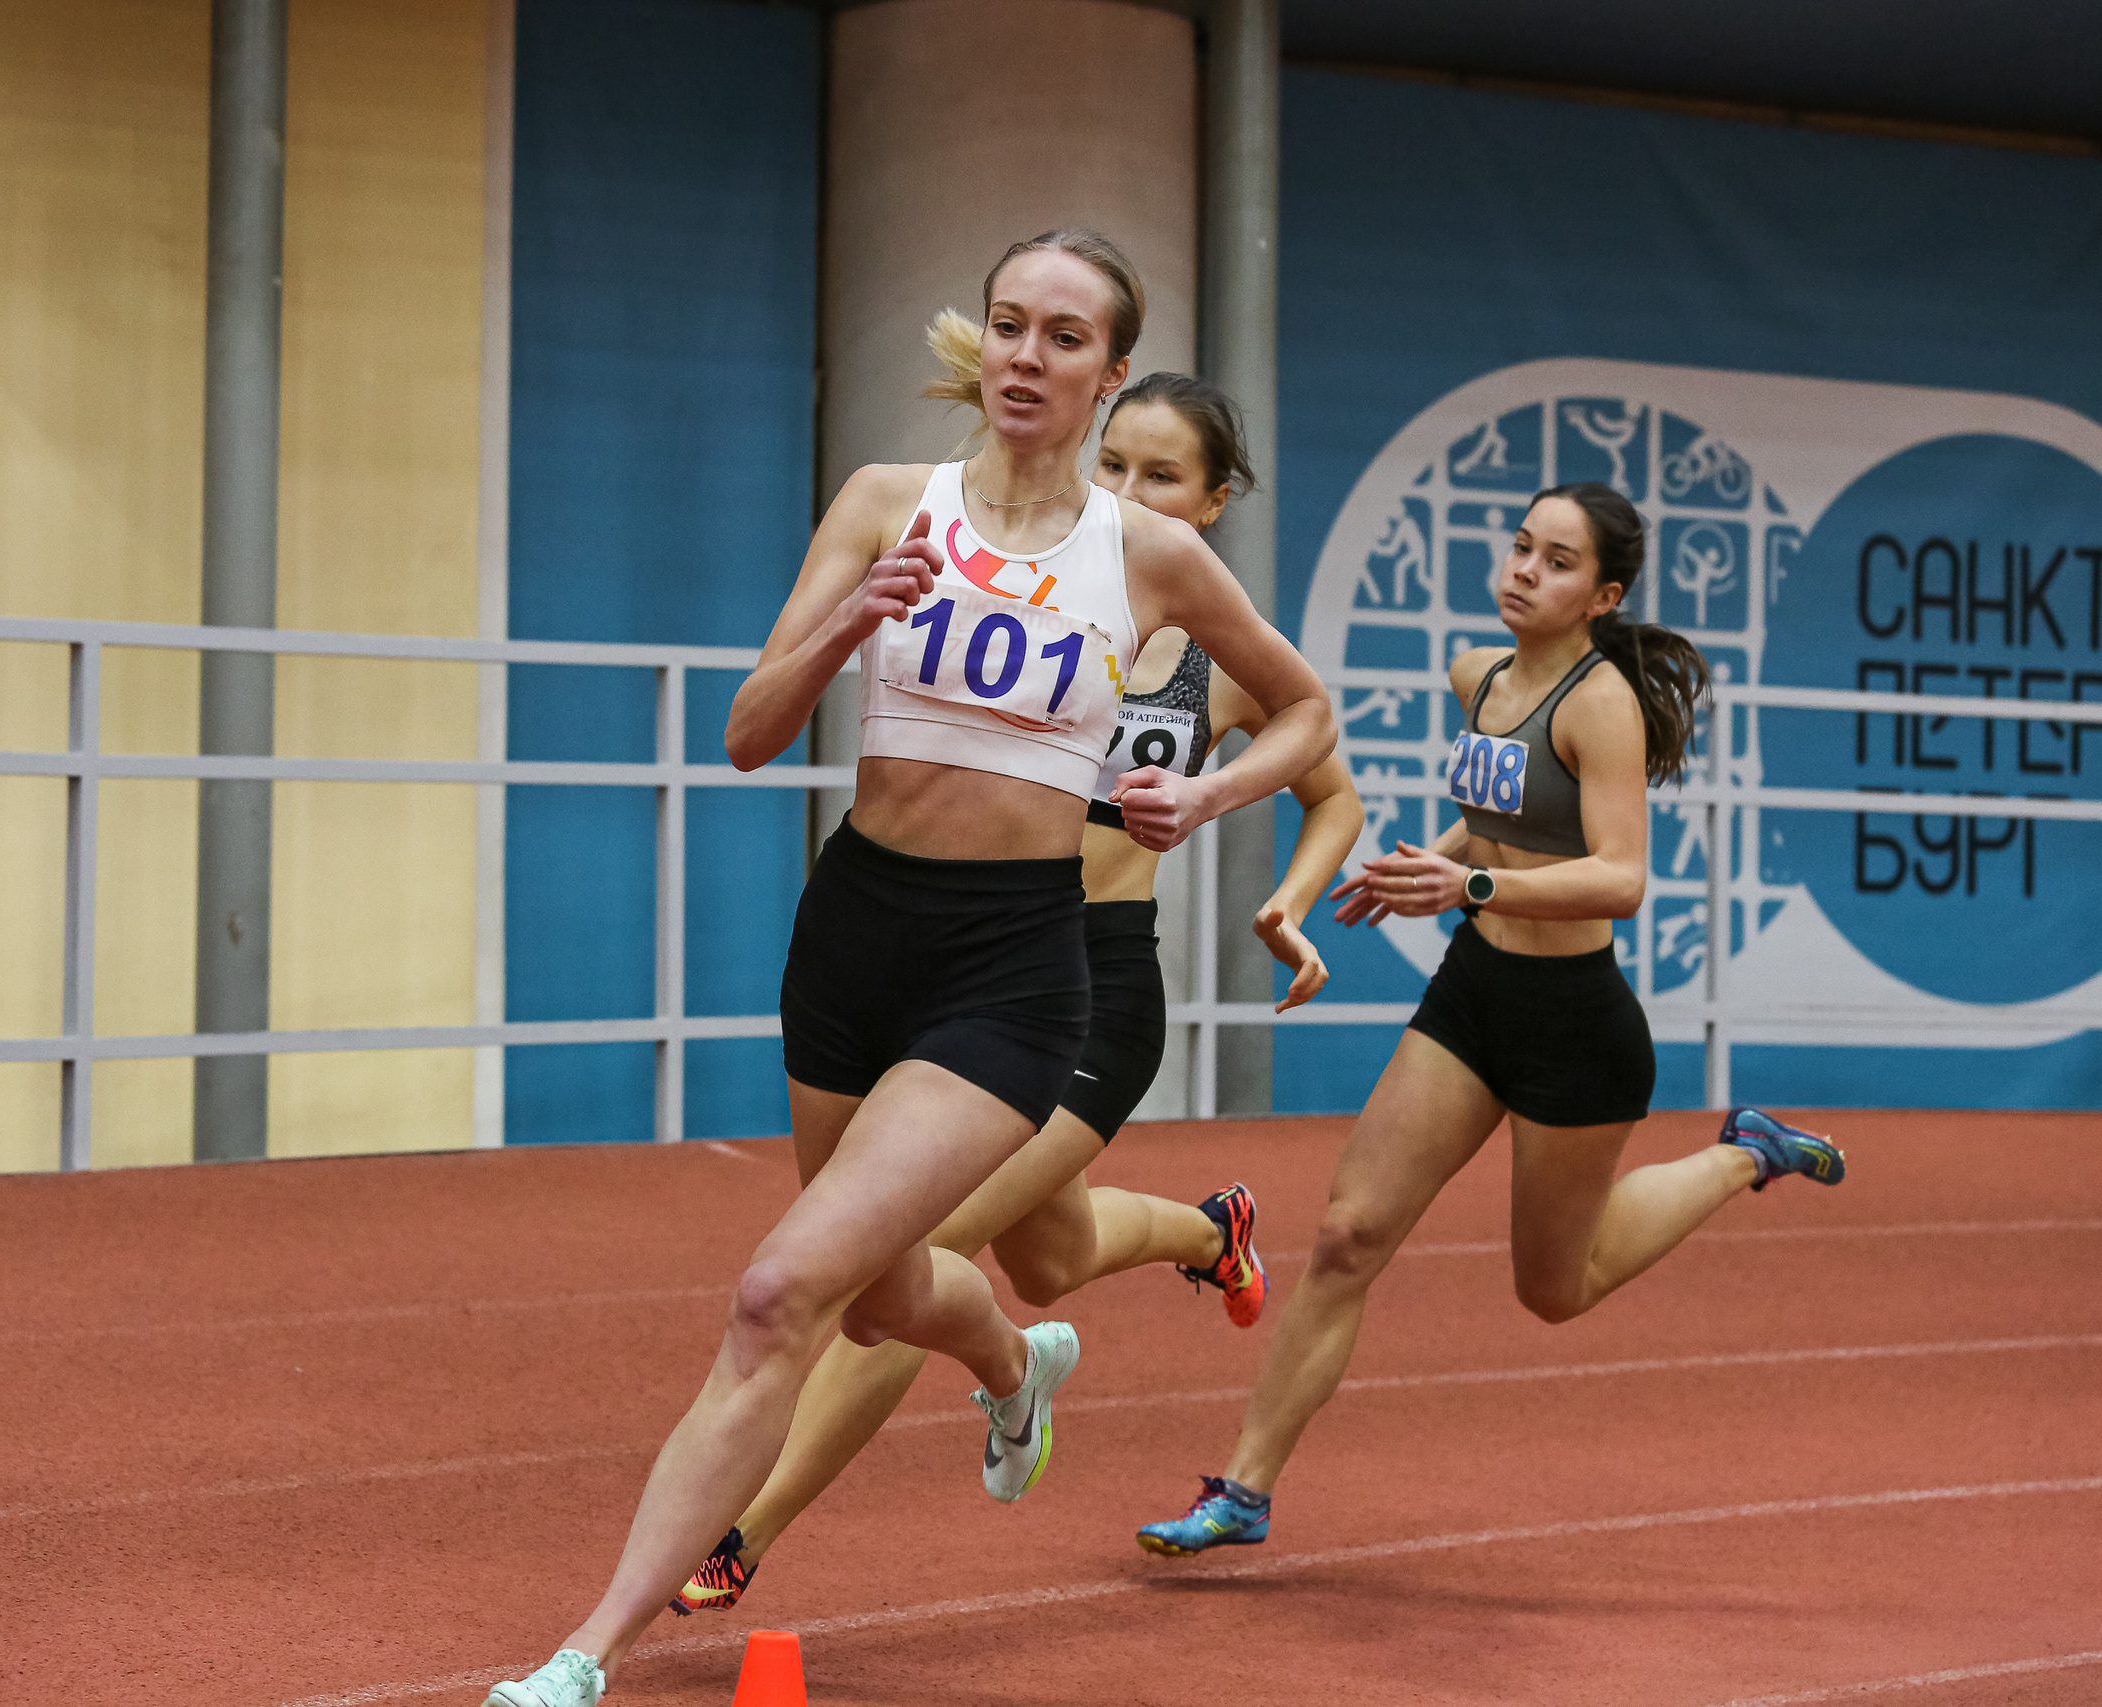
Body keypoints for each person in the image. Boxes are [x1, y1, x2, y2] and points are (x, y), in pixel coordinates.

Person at [488, 228, 1335, 1707]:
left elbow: (1308, 713)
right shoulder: (889, 501)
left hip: (1016, 964)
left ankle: (583, 1654)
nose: (1026, 355)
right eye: (1008, 324)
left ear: (1108, 370)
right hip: (855, 933)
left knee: (780, 1292)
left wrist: (1205, 795)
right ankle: (1016, 1364)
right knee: (881, 1295)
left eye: (1063, 336)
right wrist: (845, 622)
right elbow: (749, 733)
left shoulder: (1149, 557)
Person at [665, 360, 1366, 1620]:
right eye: (1116, 463)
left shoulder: (1210, 648)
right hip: (969, 962)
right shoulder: (1035, 597)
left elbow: (1331, 787)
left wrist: (1280, 891)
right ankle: (1211, 1233)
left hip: (1090, 984)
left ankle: (745, 1529)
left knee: (913, 1248)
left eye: (1163, 476)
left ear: (1211, 503)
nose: (1129, 489)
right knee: (1050, 1261)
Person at [1134, 482, 1845, 1558]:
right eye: (1520, 546)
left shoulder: (1602, 706)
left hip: (1574, 1026)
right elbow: (1500, 818)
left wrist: (1465, 886)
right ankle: (1244, 1490)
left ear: (1603, 595)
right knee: (1346, 1234)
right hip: (1474, 996)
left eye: (1558, 562)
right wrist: (1433, 859)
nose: (1524, 570)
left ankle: (1743, 1153)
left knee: (1553, 1290)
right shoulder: (1477, 673)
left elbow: (1621, 878)